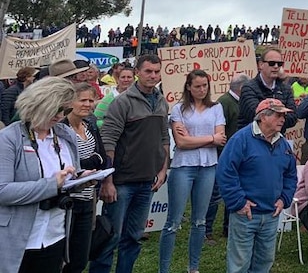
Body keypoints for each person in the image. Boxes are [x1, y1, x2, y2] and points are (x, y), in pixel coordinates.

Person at [90, 54, 170, 273]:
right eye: (148, 71)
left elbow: (164, 137)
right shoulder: (122, 102)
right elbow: (108, 141)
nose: (153, 75)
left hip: (147, 182)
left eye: (156, 71)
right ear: (137, 73)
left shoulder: (162, 101)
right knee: (110, 237)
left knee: (133, 238)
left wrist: (163, 170)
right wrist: (107, 180)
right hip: (122, 182)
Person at [0, 77, 79, 273]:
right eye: (57, 109)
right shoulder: (9, 138)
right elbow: (3, 191)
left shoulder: (65, 135)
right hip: (18, 238)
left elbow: (70, 175)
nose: (61, 116)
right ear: (41, 103)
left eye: (66, 110)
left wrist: (82, 178)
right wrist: (51, 185)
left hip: (55, 234)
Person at [217, 98, 298, 273]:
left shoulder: (283, 143)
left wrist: (284, 199)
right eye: (278, 115)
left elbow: (291, 175)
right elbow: (225, 172)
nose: (283, 119)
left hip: (271, 214)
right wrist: (239, 202)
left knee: (264, 262)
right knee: (239, 264)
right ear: (262, 117)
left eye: (283, 115)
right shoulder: (241, 139)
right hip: (245, 215)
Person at [159, 70, 226, 273]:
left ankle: (193, 267)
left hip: (208, 166)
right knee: (173, 221)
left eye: (205, 85)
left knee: (200, 221)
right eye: (197, 86)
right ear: (189, 86)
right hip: (183, 166)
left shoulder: (216, 107)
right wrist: (209, 139)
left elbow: (220, 138)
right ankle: (164, 268)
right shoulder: (179, 109)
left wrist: (195, 140)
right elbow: (181, 142)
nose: (202, 89)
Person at [61, 83, 110, 273]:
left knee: (81, 259)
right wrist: (89, 162)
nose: (88, 104)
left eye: (91, 100)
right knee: (64, 257)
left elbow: (102, 157)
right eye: (83, 100)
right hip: (68, 202)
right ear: (70, 102)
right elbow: (69, 165)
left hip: (89, 198)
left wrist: (86, 162)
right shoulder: (61, 128)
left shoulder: (90, 126)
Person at [206, 74, 249, 243]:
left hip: (236, 155)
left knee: (233, 191)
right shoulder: (225, 103)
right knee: (215, 194)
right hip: (221, 155)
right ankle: (207, 230)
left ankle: (228, 227)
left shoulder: (237, 103)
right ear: (242, 89)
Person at [237, 47, 297, 131]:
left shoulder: (286, 89)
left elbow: (293, 117)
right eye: (272, 63)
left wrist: (272, 117)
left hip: (276, 139)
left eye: (279, 64)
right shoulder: (248, 88)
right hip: (252, 139)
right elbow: (257, 116)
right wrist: (281, 116)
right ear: (261, 65)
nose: (276, 66)